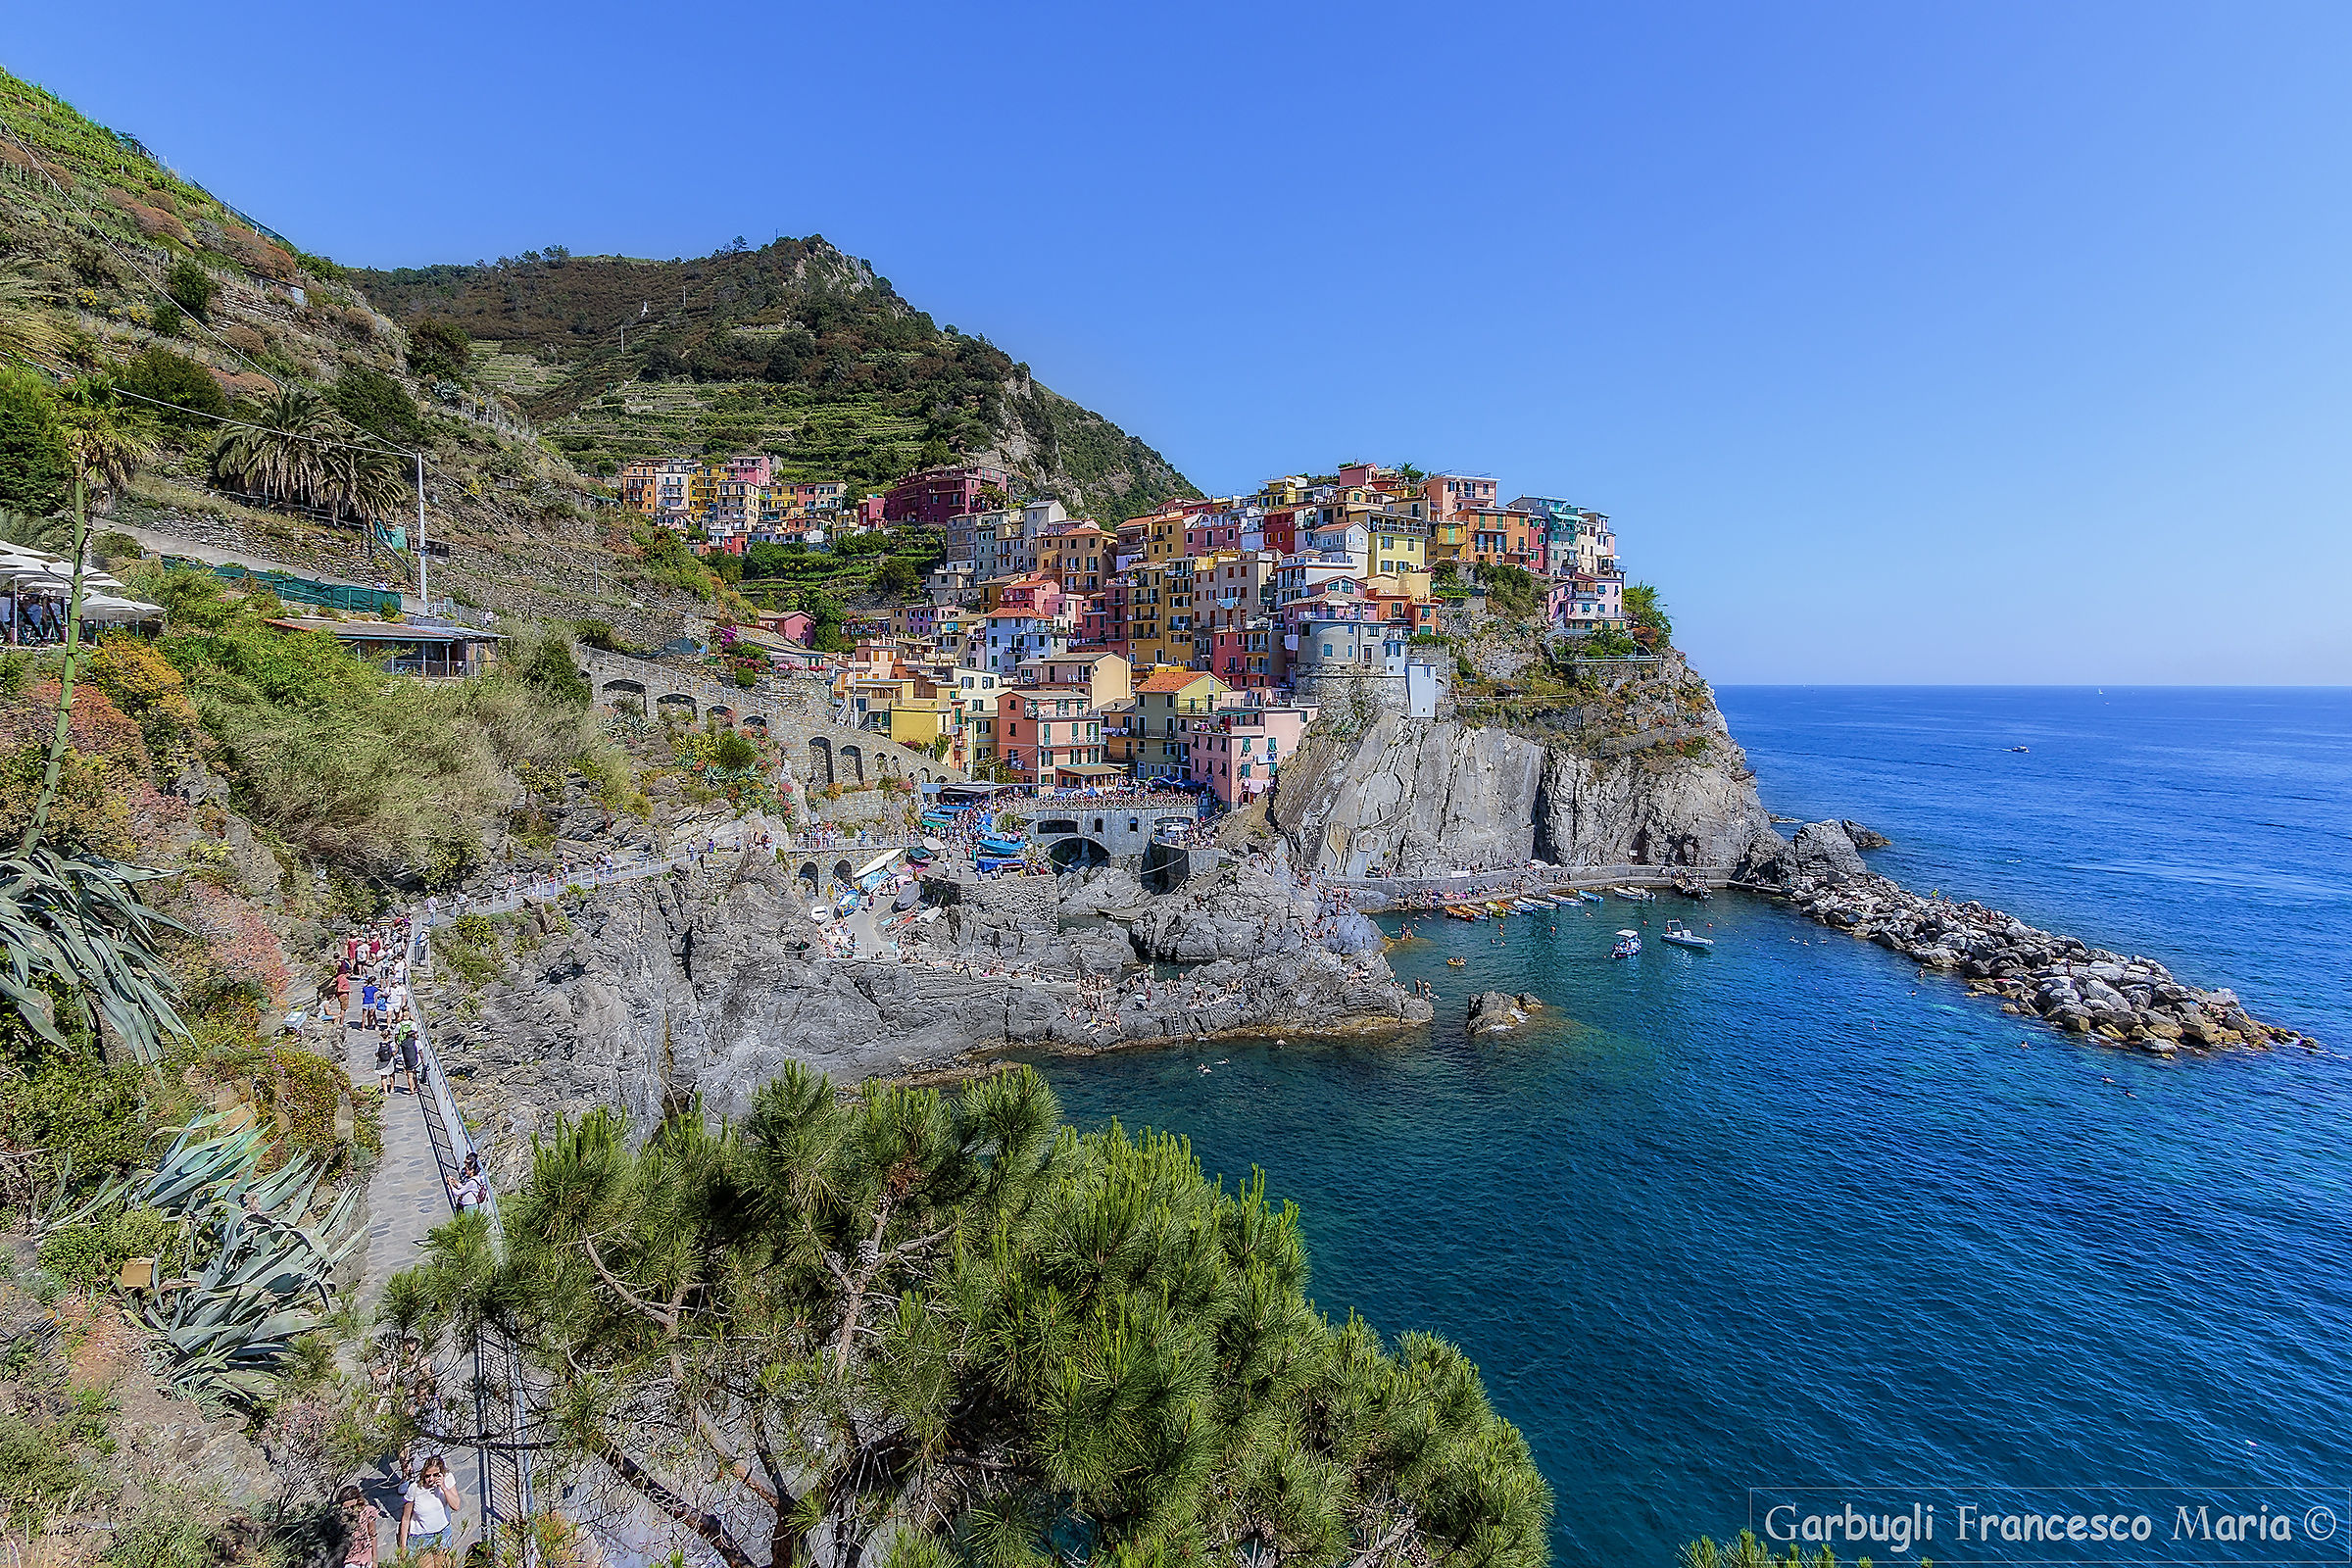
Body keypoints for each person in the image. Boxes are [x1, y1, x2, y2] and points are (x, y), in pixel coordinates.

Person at [401, 1454, 461, 1563]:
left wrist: (444, 1488)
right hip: (421, 1537)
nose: (431, 1479)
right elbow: (405, 1519)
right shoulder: (414, 1489)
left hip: (442, 1533)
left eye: (435, 1475)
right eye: (427, 1476)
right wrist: (403, 1547)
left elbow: (456, 1505)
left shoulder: (448, 1479)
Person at [336, 1485, 382, 1568]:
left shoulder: (368, 1512)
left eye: (352, 1507)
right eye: (346, 1508)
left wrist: (375, 1559)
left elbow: (372, 1535)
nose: (350, 1511)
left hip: (365, 1558)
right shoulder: (339, 1517)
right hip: (348, 1561)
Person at [398, 1022, 421, 1097]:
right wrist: (423, 1061)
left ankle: (411, 1090)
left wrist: (403, 1063)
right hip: (417, 1061)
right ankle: (417, 1087)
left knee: (409, 1076)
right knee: (416, 1075)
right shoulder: (417, 1042)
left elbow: (401, 1054)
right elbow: (420, 1052)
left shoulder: (403, 1043)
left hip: (407, 1061)